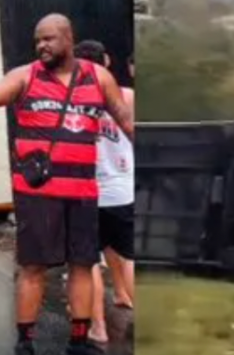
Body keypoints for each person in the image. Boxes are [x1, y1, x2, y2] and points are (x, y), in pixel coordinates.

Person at [0, 13, 134, 355]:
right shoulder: (24, 76)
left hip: (84, 193)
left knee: (83, 265)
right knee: (33, 267)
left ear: (69, 38)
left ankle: (78, 340)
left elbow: (126, 119)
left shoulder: (97, 77)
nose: (41, 45)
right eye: (38, 39)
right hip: (39, 195)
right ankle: (25, 342)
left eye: (49, 38)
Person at [73, 42, 135, 344]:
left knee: (89, 263)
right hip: (123, 189)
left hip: (87, 192)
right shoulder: (128, 97)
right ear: (107, 61)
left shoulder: (73, 102)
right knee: (129, 255)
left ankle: (98, 327)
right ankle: (129, 299)